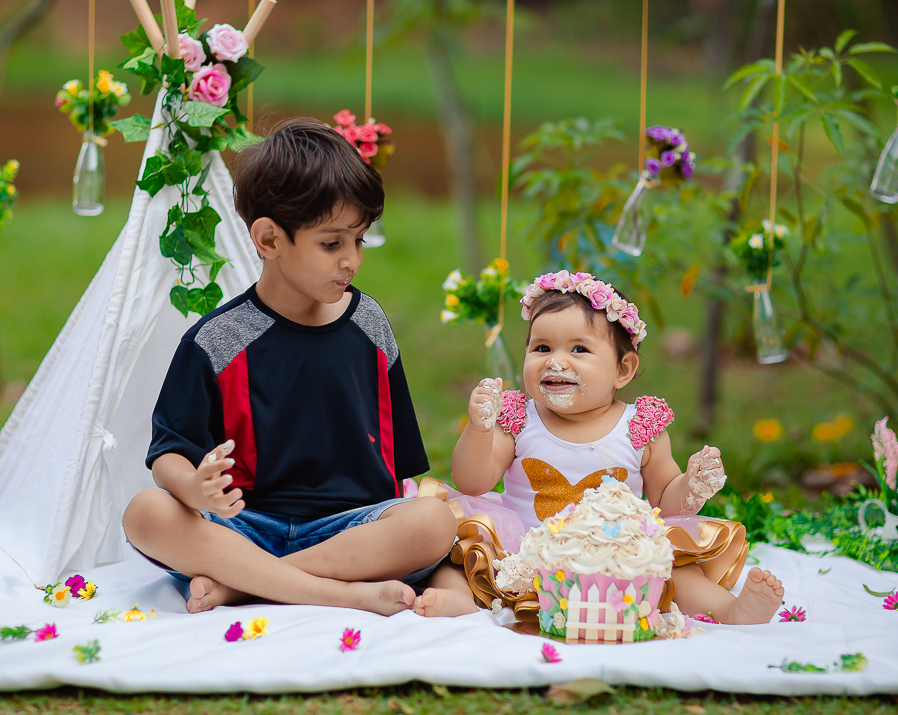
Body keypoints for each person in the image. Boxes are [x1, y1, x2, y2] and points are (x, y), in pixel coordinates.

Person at [123, 118, 457, 616]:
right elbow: (168, 454)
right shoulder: (216, 340)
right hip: (245, 527)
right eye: (332, 243)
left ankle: (247, 585)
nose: (351, 260)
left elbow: (399, 466)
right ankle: (335, 593)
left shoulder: (369, 323)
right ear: (269, 239)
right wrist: (194, 488)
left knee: (433, 521)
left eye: (359, 240)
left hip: (352, 532)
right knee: (145, 512)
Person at [415, 269, 784, 624]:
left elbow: (665, 504)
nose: (556, 361)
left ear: (623, 370)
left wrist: (691, 486)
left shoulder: (640, 427)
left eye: (579, 349)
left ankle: (730, 610)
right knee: (462, 553)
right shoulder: (519, 418)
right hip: (525, 553)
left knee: (677, 571)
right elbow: (472, 482)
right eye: (542, 347)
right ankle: (457, 597)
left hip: (617, 558)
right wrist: (479, 428)